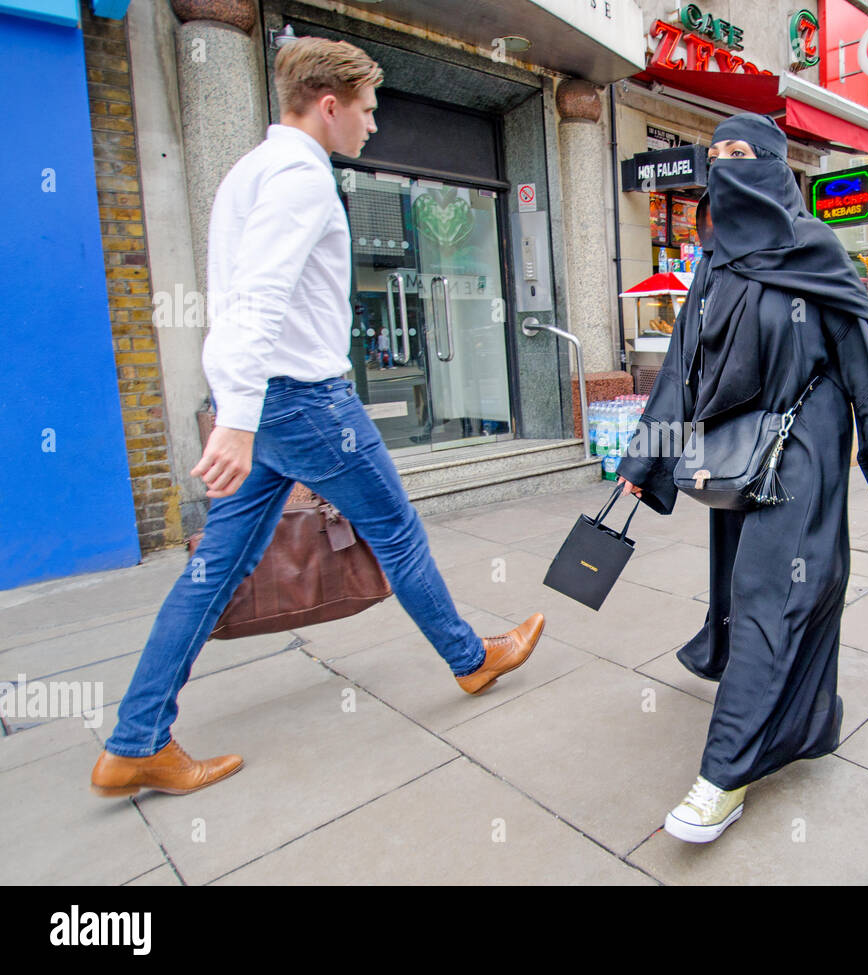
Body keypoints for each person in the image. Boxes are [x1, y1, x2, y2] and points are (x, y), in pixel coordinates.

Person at [90, 38, 545, 799]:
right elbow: (259, 297)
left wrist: (237, 407)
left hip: (269, 402)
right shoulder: (301, 177)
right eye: (367, 110)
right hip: (302, 398)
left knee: (215, 568)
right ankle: (471, 658)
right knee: (395, 529)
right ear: (329, 105)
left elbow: (236, 298)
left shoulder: (248, 171)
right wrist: (235, 417)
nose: (372, 125)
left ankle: (136, 740)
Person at [616, 113, 868, 844]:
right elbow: (681, 372)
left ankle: (723, 775)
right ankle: (811, 722)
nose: (725, 167)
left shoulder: (814, 250)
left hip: (804, 451)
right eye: (714, 156)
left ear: (777, 168)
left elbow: (865, 358)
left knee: (773, 596)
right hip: (737, 457)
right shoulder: (713, 264)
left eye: (741, 154)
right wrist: (644, 459)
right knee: (770, 595)